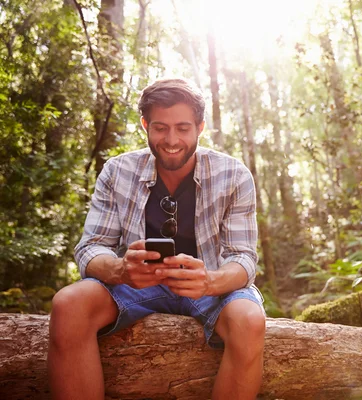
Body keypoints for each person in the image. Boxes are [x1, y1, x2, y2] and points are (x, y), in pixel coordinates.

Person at [48, 78, 266, 400]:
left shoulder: (233, 174)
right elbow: (91, 247)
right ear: (145, 125)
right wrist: (120, 269)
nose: (172, 140)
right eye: (161, 128)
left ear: (200, 127)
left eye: (183, 128)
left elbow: (243, 257)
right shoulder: (117, 171)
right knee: (68, 304)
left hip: (210, 289)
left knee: (250, 321)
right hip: (135, 287)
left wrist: (209, 281)